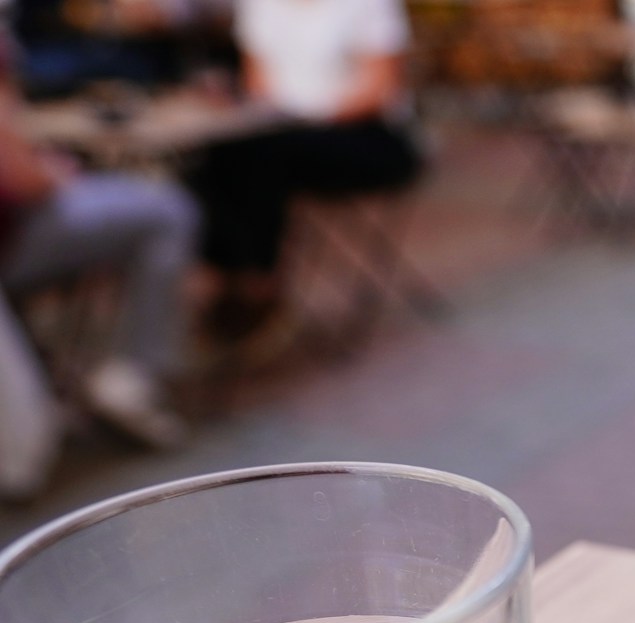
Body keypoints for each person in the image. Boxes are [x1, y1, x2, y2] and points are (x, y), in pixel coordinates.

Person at [0, 61, 197, 491]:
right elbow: (22, 177)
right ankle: (131, 375)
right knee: (165, 209)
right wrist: (51, 171)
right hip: (12, 237)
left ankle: (75, 373)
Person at [185, 0, 419, 342]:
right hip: (284, 131)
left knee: (265, 158)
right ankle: (229, 275)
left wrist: (310, 116)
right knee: (220, 153)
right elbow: (258, 84)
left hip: (366, 132)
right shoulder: (260, 6)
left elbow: (379, 88)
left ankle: (259, 284)